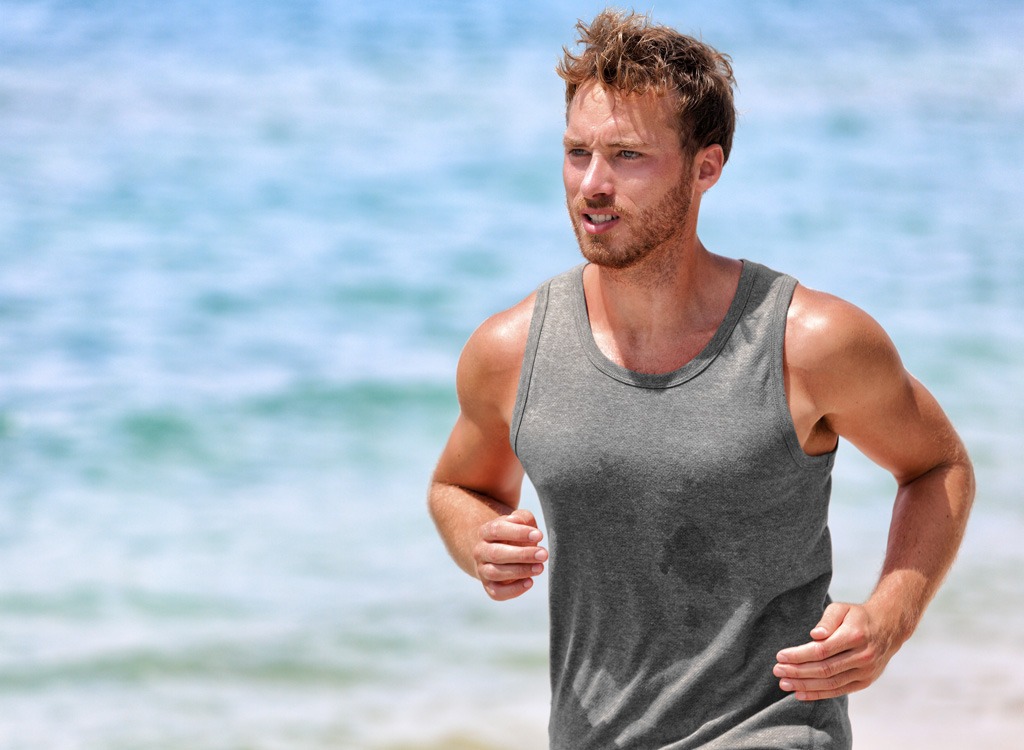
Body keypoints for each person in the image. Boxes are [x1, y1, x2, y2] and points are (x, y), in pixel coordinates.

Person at [427, 9, 975, 749]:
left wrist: (891, 614)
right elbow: (459, 487)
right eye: (577, 152)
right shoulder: (510, 351)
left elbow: (938, 464)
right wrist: (480, 541)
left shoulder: (809, 342)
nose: (592, 184)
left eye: (627, 156)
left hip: (775, 730)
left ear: (706, 167)